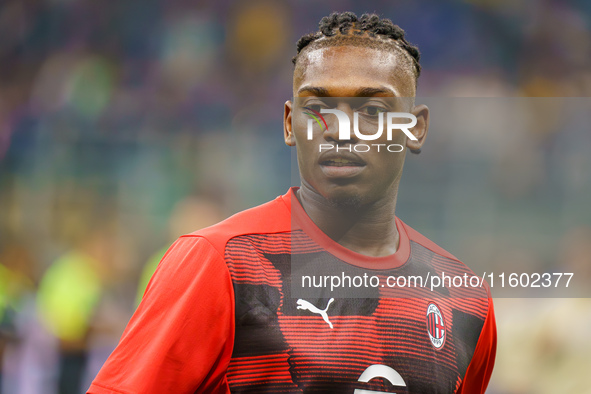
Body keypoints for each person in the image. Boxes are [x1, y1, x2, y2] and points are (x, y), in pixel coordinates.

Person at [87, 12, 496, 394]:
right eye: (317, 107)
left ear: (415, 128)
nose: (340, 130)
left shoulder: (464, 299)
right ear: (289, 123)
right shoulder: (220, 262)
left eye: (372, 110)